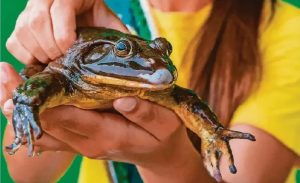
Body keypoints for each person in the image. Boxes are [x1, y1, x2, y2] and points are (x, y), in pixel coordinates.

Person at [0, 0, 299, 182]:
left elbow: (186, 100)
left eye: (162, 52)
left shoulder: (289, 35)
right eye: (123, 50)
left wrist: (169, 159)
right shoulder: (94, 13)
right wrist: (28, 108)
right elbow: (28, 175)